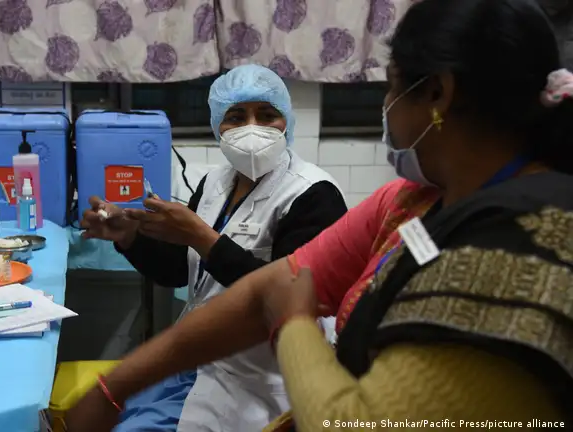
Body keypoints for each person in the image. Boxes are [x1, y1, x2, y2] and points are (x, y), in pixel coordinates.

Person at [65, 0, 573, 429]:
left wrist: (292, 321)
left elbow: (346, 398)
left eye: (391, 88)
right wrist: (114, 387)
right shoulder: (406, 201)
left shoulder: (512, 248)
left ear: (438, 93)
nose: (385, 107)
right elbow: (263, 289)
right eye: (235, 116)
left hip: (274, 386)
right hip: (219, 370)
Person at [76, 64, 347, 431]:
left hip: (259, 378)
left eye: (267, 115)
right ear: (217, 125)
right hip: (199, 361)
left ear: (287, 120)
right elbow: (180, 269)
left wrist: (201, 236)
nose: (252, 127)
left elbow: (292, 299)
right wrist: (129, 238)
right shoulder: (215, 183)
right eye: (236, 117)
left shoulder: (314, 194)